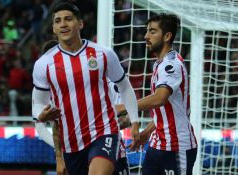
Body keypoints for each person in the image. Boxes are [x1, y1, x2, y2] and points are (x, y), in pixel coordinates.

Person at [32, 1, 140, 175]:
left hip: (103, 132)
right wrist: (41, 114)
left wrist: (135, 121)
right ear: (53, 28)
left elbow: (125, 87)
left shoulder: (103, 54)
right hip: (72, 144)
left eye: (68, 19)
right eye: (58, 21)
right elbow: (37, 104)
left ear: (80, 23)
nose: (63, 24)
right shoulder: (43, 64)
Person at [127, 14, 198, 175]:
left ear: (167, 36)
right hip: (157, 144)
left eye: (152, 31)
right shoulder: (160, 63)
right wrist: (147, 132)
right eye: (147, 31)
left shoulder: (171, 64)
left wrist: (126, 105)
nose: (146, 36)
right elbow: (165, 110)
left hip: (177, 146)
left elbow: (160, 98)